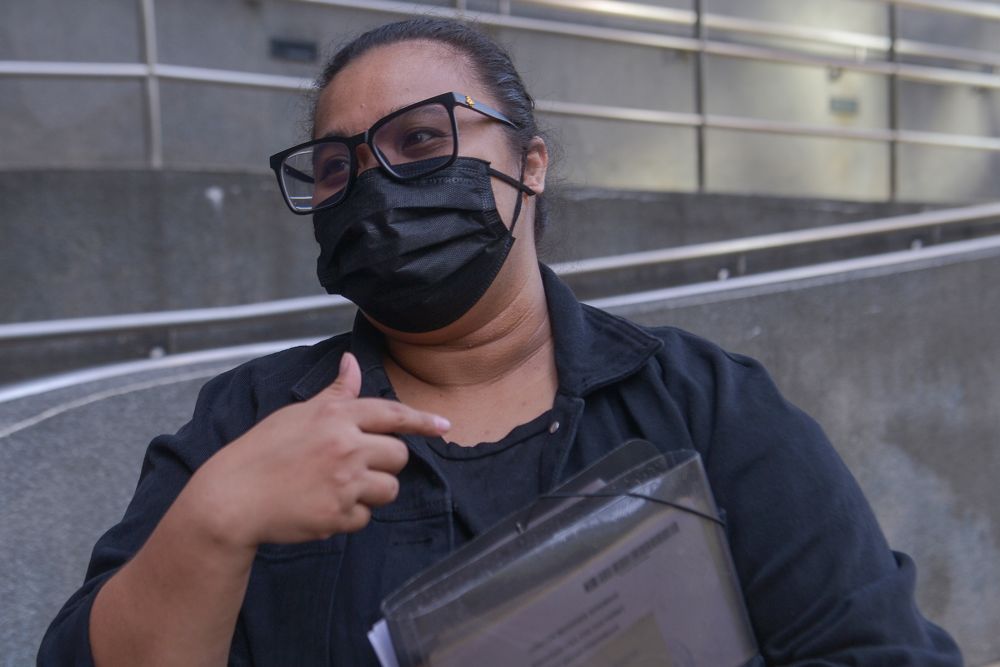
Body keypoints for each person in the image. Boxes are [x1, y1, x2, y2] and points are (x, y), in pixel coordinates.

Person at [40, 16, 962, 666]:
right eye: (336, 165)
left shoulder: (705, 404)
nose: (375, 185)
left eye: (420, 139)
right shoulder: (248, 421)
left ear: (530, 161)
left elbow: (879, 647)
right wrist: (216, 518)